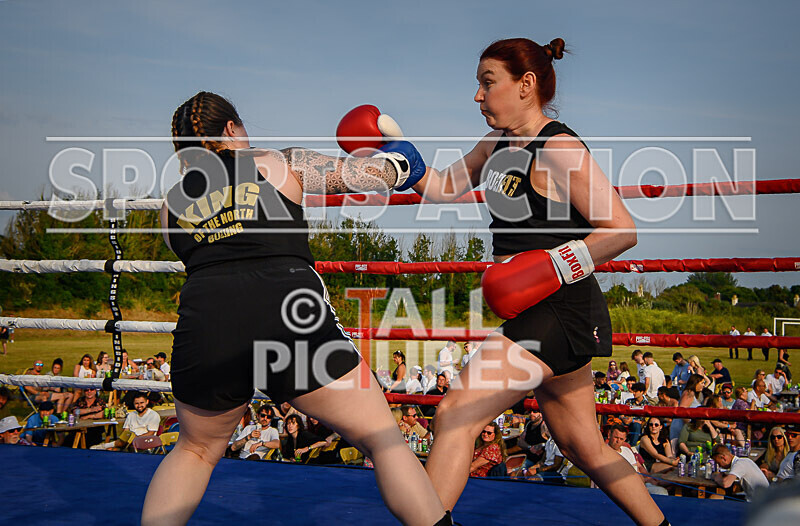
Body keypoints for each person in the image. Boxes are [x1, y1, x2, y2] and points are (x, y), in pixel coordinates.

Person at [143, 92, 448, 526]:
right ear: (230, 128)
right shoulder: (276, 162)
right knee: (383, 440)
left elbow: (211, 260)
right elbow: (372, 176)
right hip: (284, 310)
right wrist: (400, 157)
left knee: (194, 450)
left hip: (206, 322)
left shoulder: (170, 207)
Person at [413, 38, 667, 525]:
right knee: (582, 446)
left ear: (525, 84)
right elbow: (445, 186)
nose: (478, 95)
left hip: (559, 306)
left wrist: (550, 266)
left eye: (488, 83)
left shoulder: (559, 147)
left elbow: (621, 228)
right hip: (533, 307)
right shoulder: (495, 144)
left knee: (456, 413)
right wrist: (399, 159)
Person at [606, 424, 668, 496]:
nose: (618, 441)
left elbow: (637, 471)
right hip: (623, 489)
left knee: (663, 490)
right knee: (660, 492)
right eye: (616, 437)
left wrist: (644, 483)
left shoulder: (627, 450)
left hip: (639, 485)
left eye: (621, 439)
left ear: (625, 439)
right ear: (609, 435)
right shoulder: (605, 453)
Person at [92, 392, 160, 450]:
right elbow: (125, 431)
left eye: (141, 403)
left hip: (146, 440)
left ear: (147, 402)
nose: (139, 405)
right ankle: (107, 447)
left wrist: (136, 439)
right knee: (121, 442)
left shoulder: (153, 415)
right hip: (129, 440)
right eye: (136, 403)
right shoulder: (131, 415)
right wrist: (129, 438)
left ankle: (106, 446)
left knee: (118, 446)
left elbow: (151, 433)